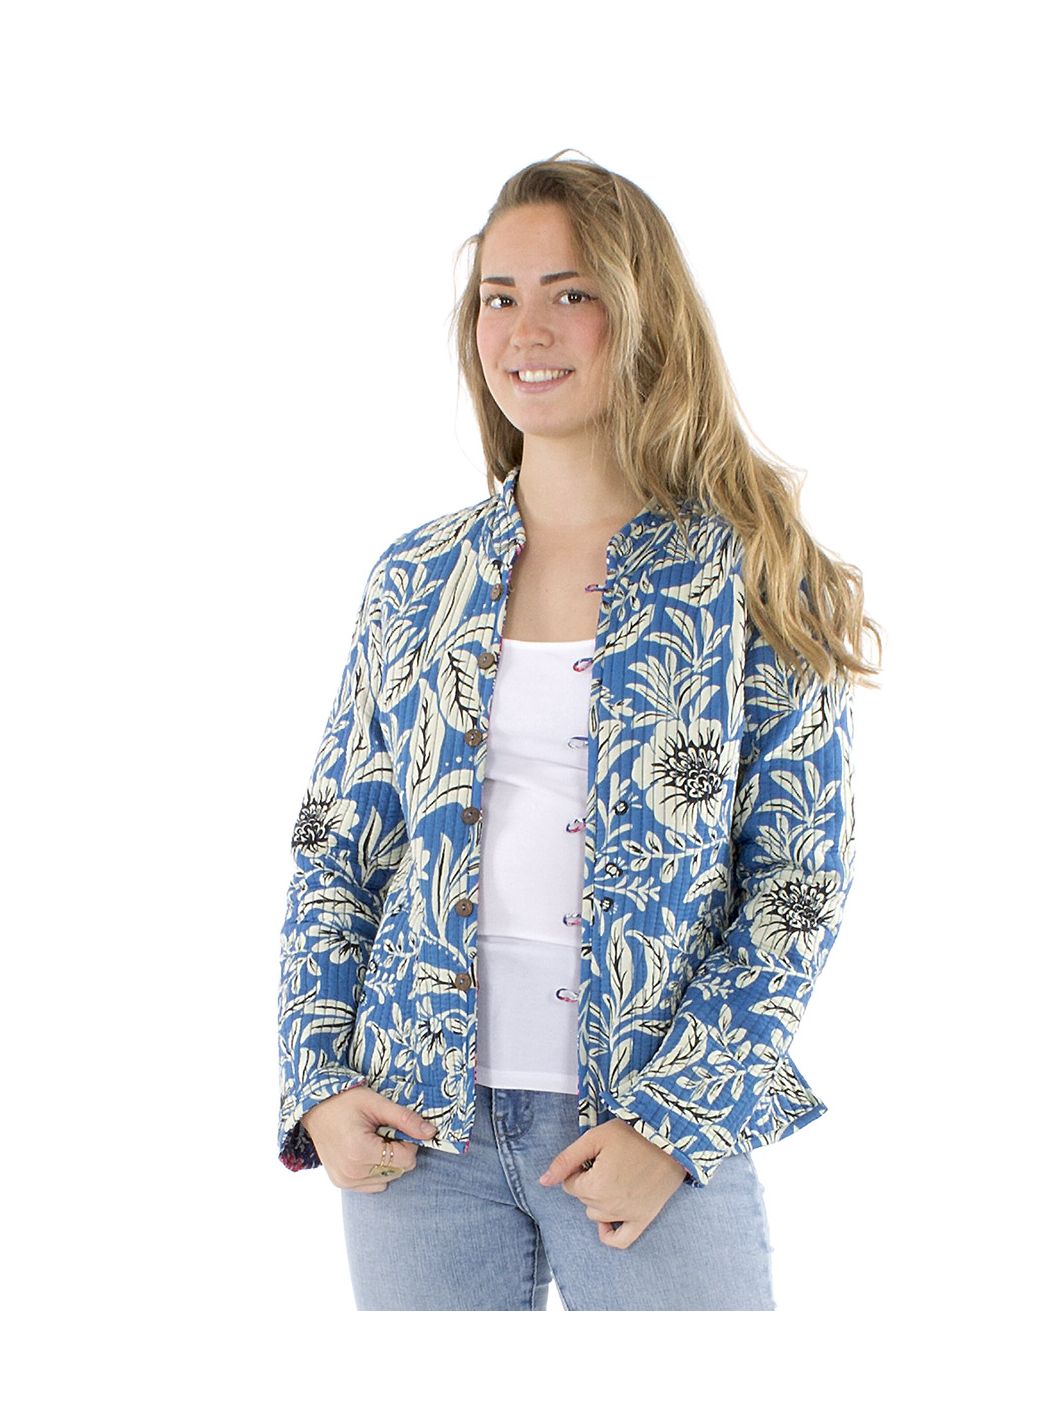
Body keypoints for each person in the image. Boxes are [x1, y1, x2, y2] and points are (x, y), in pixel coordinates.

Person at [276, 152, 882, 1310]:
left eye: (570, 293)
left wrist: (675, 1119)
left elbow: (798, 879)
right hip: (413, 1132)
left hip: (646, 1124)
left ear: (641, 313)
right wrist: (318, 1077)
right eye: (497, 297)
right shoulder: (416, 576)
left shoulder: (746, 571)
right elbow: (333, 847)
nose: (527, 330)